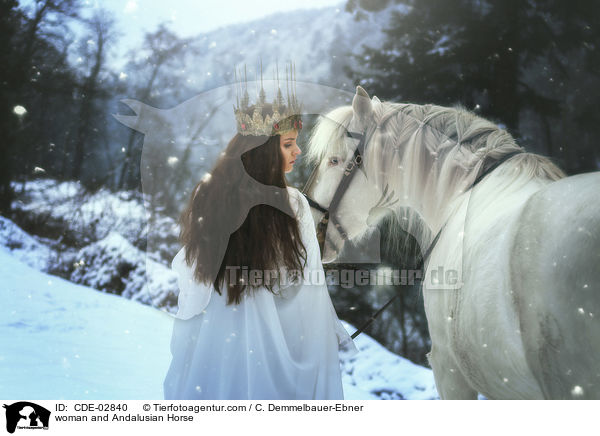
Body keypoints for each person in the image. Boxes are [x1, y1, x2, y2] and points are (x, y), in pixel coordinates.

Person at [162, 80, 358, 400]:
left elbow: (194, 274)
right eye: (288, 144)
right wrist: (322, 333)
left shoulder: (208, 193)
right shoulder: (292, 203)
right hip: (266, 349)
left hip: (213, 347)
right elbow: (305, 286)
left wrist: (196, 330)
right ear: (263, 151)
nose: (297, 151)